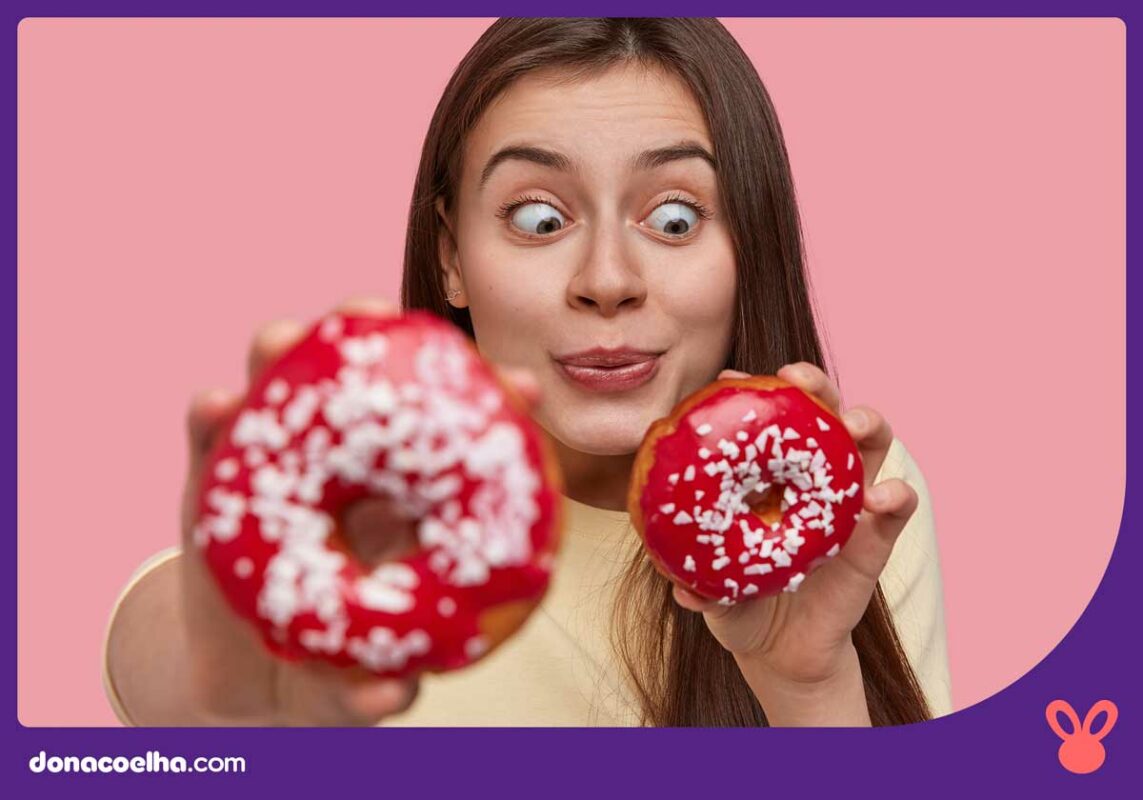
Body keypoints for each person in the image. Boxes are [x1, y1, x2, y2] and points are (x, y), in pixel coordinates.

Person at [102, 17, 952, 727]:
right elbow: (173, 648)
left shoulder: (845, 507)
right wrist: (246, 683)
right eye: (540, 219)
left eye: (675, 216)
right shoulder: (360, 537)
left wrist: (808, 690)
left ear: (748, 244)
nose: (608, 280)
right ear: (451, 257)